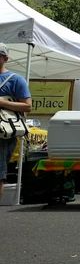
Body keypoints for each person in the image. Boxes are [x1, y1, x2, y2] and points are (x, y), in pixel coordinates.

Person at [0, 43, 32, 201]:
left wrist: (2, 103)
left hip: (3, 133)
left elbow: (27, 106)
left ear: (5, 58)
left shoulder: (15, 80)